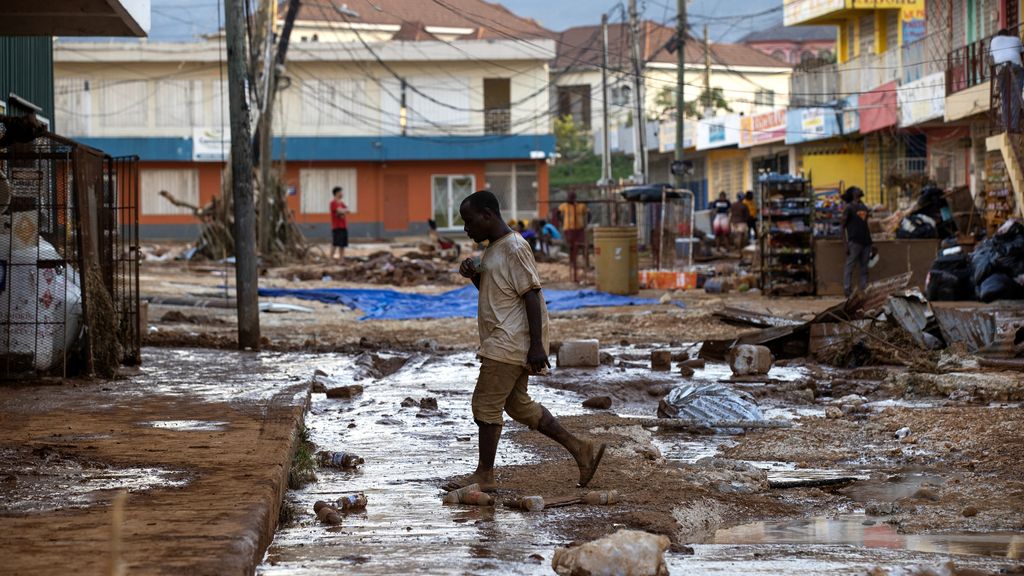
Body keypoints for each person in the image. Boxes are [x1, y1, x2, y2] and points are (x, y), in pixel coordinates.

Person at [450, 190, 606, 492]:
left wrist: (537, 345)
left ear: (487, 215)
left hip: (508, 342)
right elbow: (497, 290)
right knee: (518, 405)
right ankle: (581, 450)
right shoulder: (494, 248)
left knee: (485, 404)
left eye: (469, 221)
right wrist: (473, 275)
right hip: (506, 339)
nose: (466, 229)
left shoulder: (515, 247)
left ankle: (484, 474)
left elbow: (532, 294)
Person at [841, 186, 872, 297]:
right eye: (857, 189)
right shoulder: (849, 208)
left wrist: (871, 242)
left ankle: (864, 289)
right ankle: (847, 289)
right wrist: (845, 244)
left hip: (866, 241)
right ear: (853, 194)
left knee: (864, 267)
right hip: (854, 242)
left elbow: (866, 224)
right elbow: (842, 226)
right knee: (850, 265)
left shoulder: (863, 207)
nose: (860, 189)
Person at [991, 28, 1024, 129]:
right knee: (1016, 97)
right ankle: (1015, 126)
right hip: (1016, 67)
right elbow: (1022, 55)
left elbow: (991, 59)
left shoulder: (993, 41)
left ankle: (1007, 126)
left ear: (999, 35)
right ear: (1008, 35)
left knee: (1005, 98)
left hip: (1001, 69)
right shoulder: (1016, 40)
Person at [558, 192, 588, 275]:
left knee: (582, 245)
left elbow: (588, 214)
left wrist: (586, 223)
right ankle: (572, 263)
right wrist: (561, 221)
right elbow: (558, 212)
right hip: (568, 229)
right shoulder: (564, 206)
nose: (569, 200)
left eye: (570, 198)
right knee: (571, 246)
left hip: (579, 229)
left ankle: (585, 263)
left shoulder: (581, 206)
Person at [329, 186, 349, 260]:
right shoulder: (333, 203)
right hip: (337, 226)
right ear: (337, 193)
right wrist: (342, 211)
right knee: (335, 243)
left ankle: (342, 259)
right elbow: (339, 210)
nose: (342, 194)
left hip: (344, 226)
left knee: (343, 244)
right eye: (341, 192)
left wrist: (342, 210)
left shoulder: (341, 203)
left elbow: (347, 210)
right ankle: (330, 259)